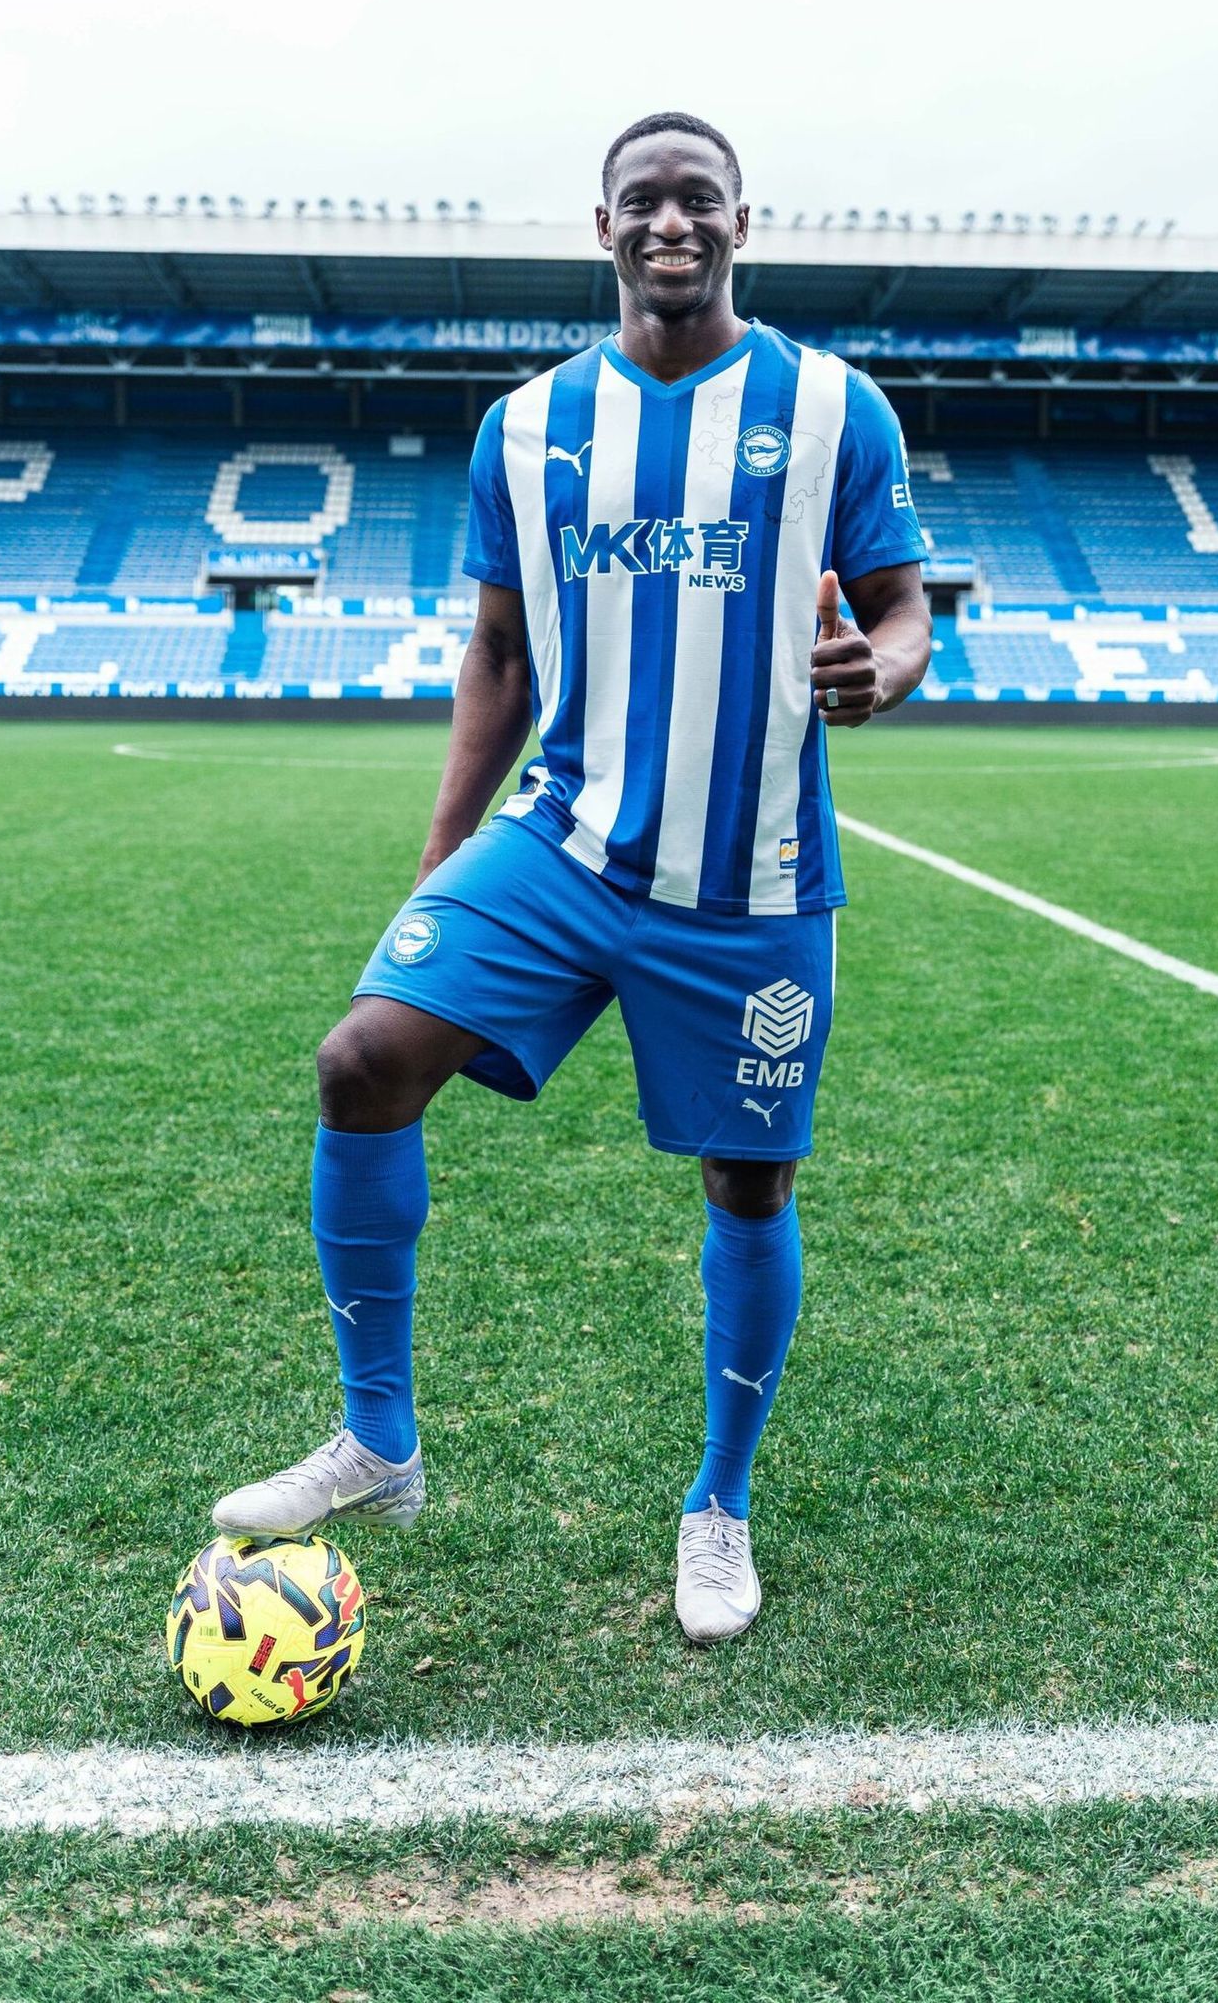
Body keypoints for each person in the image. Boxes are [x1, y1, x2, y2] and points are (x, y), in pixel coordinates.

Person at [214, 112, 932, 1643]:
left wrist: (882, 667)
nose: (671, 223)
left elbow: (901, 603)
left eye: (698, 200)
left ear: (744, 218)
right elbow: (496, 653)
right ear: (599, 226)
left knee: (749, 1182)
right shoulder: (525, 427)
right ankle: (379, 1444)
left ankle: (719, 1505)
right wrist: (442, 856)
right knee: (364, 1057)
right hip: (556, 844)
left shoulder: (830, 408)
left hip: (751, 880)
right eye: (642, 202)